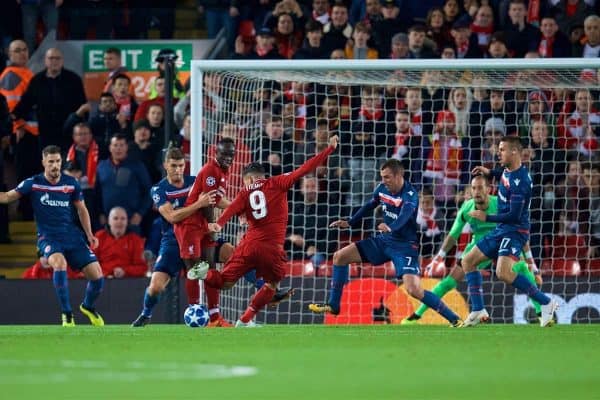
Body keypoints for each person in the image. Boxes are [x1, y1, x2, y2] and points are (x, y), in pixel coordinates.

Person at [199, 135, 339, 327]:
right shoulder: (277, 182)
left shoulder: (245, 192)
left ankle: (204, 273)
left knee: (223, 282)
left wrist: (219, 224)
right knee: (272, 285)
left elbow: (230, 210)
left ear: (249, 179)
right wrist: (329, 149)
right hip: (272, 249)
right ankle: (244, 320)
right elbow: (305, 168)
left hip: (248, 246)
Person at [309, 159, 464, 327]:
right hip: (384, 241)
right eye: (382, 177)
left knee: (414, 289)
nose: (383, 181)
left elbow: (405, 216)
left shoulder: (410, 195)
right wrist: (350, 222)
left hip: (405, 246)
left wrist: (390, 227)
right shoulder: (382, 189)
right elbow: (369, 205)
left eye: (387, 177)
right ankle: (334, 304)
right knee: (340, 257)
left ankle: (454, 318)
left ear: (399, 176)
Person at [402, 175, 544, 325]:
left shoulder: (501, 205)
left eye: (480, 187)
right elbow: (452, 235)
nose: (476, 191)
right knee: (449, 282)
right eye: (474, 188)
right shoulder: (467, 208)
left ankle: (541, 311)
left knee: (522, 267)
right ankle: (417, 315)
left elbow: (519, 232)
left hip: (503, 242)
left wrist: (531, 262)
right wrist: (438, 258)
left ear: (489, 189)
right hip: (479, 247)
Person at [0, 145, 105, 327]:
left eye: (57, 161)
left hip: (72, 236)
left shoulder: (71, 183)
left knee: (97, 277)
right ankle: (67, 314)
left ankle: (87, 306)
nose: (55, 166)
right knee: (59, 263)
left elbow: (82, 209)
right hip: (48, 237)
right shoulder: (33, 183)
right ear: (43, 163)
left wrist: (89, 234)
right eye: (51, 162)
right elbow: (7, 197)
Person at [462, 136, 558, 327]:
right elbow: (503, 175)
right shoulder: (508, 170)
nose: (499, 153)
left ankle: (546, 302)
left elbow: (514, 216)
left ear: (514, 151)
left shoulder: (521, 181)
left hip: (515, 231)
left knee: (503, 272)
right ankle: (478, 309)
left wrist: (485, 217)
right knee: (467, 261)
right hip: (502, 229)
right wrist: (489, 172)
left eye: (502, 149)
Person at [131, 148, 216, 327]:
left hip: (198, 235)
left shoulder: (195, 182)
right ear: (165, 165)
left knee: (230, 252)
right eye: (174, 166)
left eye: (181, 165)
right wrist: (198, 204)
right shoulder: (159, 189)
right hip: (172, 240)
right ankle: (146, 314)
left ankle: (261, 290)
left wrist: (236, 207)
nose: (178, 169)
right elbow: (172, 217)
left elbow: (213, 200)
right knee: (155, 287)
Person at [174, 138, 236, 327]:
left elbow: (218, 199)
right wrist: (211, 226)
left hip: (201, 224)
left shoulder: (223, 171)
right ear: (215, 153)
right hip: (190, 224)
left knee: (209, 269)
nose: (228, 158)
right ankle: (194, 311)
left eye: (231, 154)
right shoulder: (211, 171)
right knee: (193, 271)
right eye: (224, 154)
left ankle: (215, 317)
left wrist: (238, 208)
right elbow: (209, 201)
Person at [94, 206, 148, 278]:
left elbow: (142, 268)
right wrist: (106, 273)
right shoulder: (99, 237)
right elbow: (91, 264)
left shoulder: (135, 240)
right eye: (115, 218)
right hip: (103, 279)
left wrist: (125, 271)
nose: (119, 221)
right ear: (109, 221)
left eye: (123, 219)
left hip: (127, 282)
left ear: (127, 222)